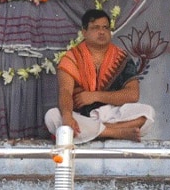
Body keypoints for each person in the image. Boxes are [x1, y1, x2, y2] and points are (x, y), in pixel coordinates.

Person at [44, 9, 155, 143]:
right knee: (52, 116)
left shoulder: (122, 58)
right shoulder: (71, 58)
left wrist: (95, 96)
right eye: (95, 27)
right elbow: (65, 92)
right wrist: (67, 116)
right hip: (82, 116)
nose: (102, 32)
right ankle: (116, 132)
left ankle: (99, 131)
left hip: (113, 115)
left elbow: (133, 95)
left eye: (105, 28)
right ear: (84, 32)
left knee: (148, 113)